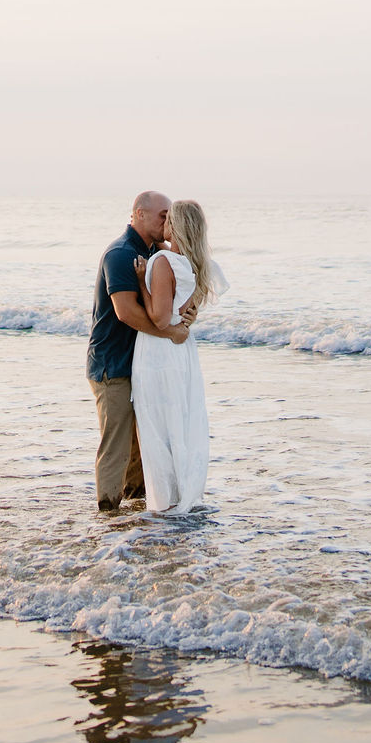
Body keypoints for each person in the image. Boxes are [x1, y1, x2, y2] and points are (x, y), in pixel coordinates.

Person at [88, 192, 195, 511]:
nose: (169, 220)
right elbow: (126, 312)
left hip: (142, 364)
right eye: (163, 215)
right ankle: (107, 515)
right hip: (112, 363)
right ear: (139, 214)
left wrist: (187, 315)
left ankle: (134, 515)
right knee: (117, 444)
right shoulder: (121, 253)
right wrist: (171, 331)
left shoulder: (154, 251)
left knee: (143, 443)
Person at [131, 200, 224, 514]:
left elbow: (159, 319)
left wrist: (143, 279)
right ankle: (183, 494)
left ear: (177, 226)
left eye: (168, 219)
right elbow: (185, 311)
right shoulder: (194, 263)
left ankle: (165, 503)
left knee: (157, 424)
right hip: (183, 352)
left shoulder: (162, 262)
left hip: (157, 352)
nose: (163, 223)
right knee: (179, 421)